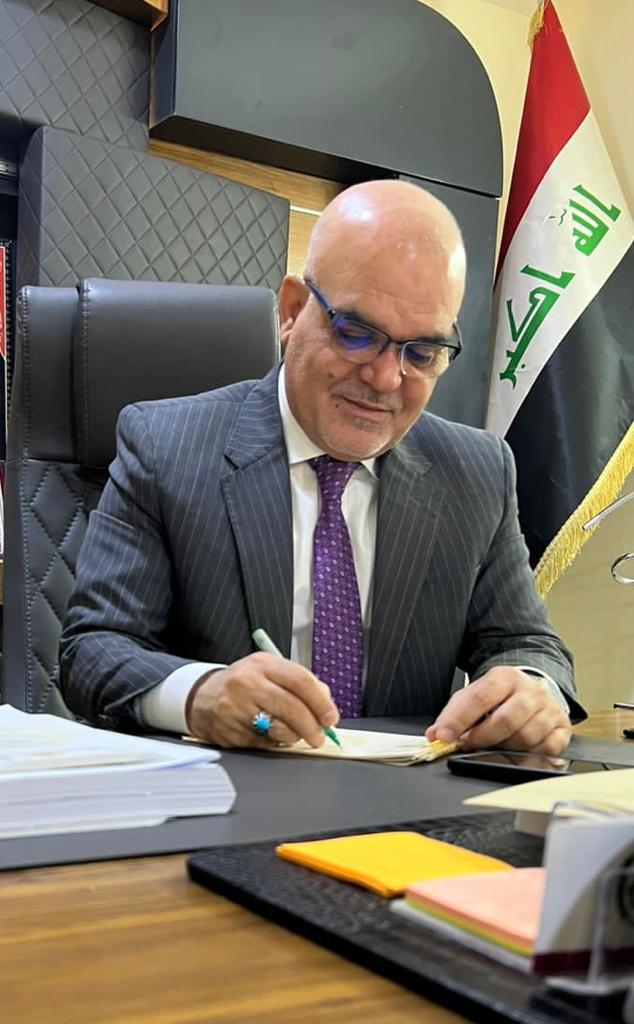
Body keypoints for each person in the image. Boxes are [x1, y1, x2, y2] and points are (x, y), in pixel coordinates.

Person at [60, 181, 583, 755]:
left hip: (403, 800)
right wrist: (200, 694)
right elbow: (94, 649)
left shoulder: (477, 472)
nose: (385, 378)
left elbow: (526, 643)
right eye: (356, 334)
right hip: (227, 787)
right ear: (291, 311)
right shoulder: (165, 446)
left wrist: (531, 690)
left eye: (421, 353)